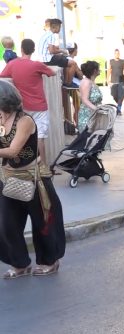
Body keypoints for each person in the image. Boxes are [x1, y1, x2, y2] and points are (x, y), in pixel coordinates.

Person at [0, 80, 65, 278]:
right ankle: (20, 263)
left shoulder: (24, 120)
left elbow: (13, 150)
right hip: (8, 179)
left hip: (34, 180)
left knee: (43, 223)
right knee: (6, 224)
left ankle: (49, 261)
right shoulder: (1, 118)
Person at [0, 39, 55, 166]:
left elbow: (2, 77)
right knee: (39, 137)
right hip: (39, 107)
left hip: (23, 107)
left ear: (21, 49)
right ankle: (43, 168)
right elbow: (52, 73)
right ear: (34, 50)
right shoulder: (37, 65)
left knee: (19, 135)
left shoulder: (13, 64)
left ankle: (20, 165)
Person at [76, 61, 102, 133]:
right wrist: (97, 109)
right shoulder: (86, 82)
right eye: (98, 69)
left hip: (93, 116)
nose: (100, 70)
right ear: (94, 71)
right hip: (87, 116)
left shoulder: (91, 82)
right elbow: (84, 99)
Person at [107, 49, 124, 115]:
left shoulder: (122, 61)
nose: (117, 54)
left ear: (119, 54)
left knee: (121, 96)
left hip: (121, 81)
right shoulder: (111, 61)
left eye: (118, 53)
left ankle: (119, 109)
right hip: (113, 81)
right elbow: (109, 70)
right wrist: (107, 79)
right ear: (114, 54)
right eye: (116, 53)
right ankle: (118, 104)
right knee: (114, 95)